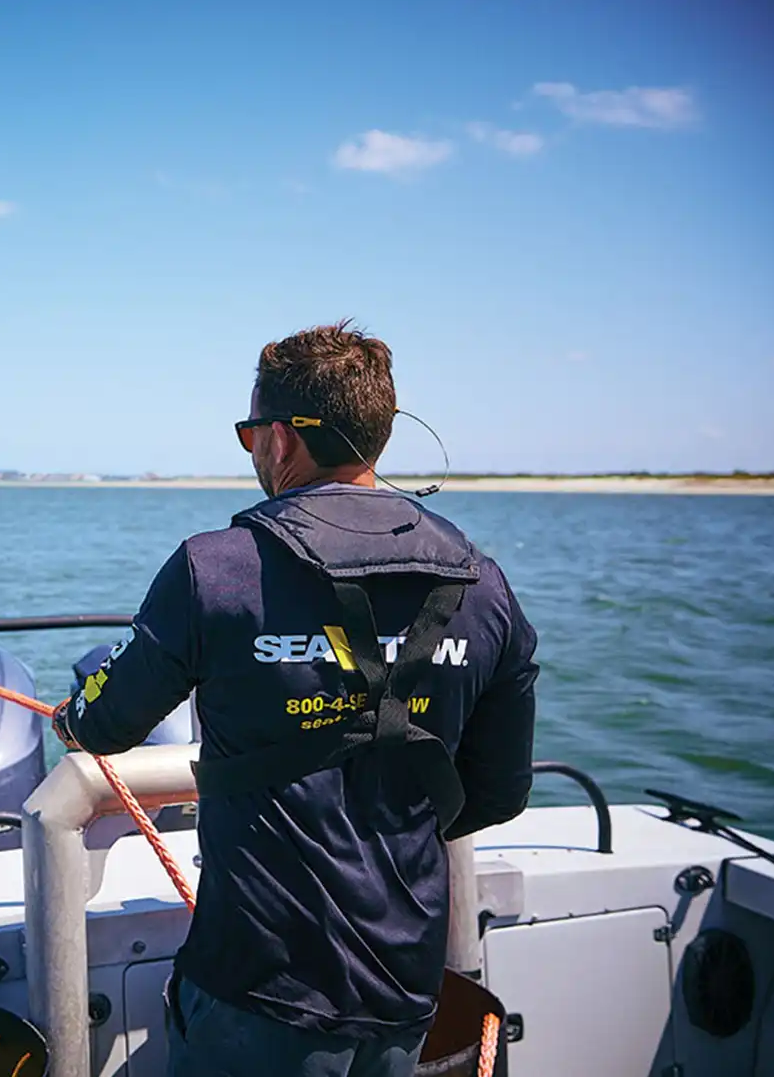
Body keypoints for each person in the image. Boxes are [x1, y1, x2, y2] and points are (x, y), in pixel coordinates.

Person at [52, 321, 538, 1077]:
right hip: (406, 987)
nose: (253, 453)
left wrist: (71, 717)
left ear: (282, 441)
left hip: (257, 987)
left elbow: (104, 723)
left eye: (250, 436)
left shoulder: (215, 571)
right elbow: (498, 793)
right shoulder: (483, 583)